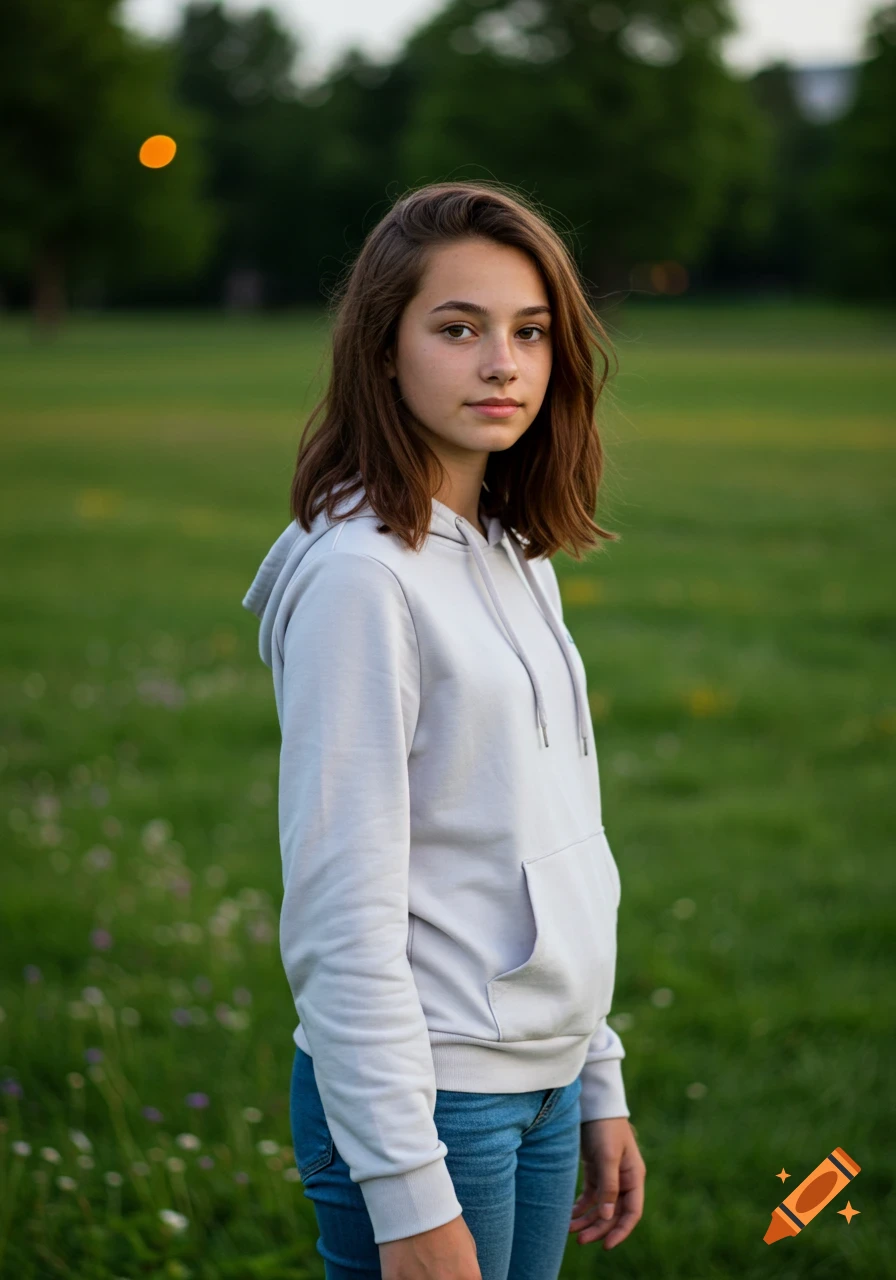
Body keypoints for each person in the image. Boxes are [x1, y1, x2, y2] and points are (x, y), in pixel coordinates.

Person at [242, 179, 646, 1280]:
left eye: (528, 332)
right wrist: (407, 1192)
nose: (501, 365)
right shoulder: (361, 581)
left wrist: (592, 1068)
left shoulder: (517, 549)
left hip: (542, 1081)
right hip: (428, 1101)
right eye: (456, 329)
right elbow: (340, 910)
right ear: (382, 346)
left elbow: (556, 833)